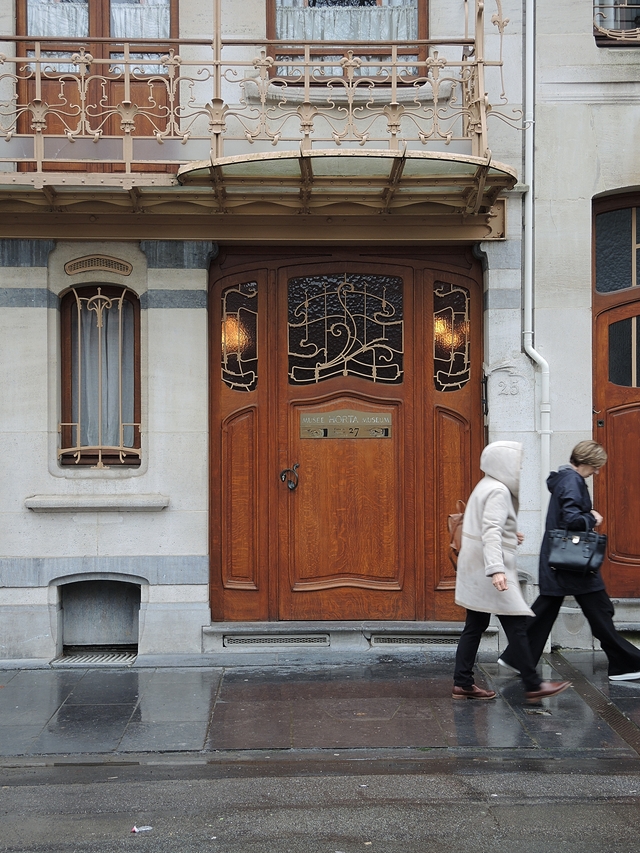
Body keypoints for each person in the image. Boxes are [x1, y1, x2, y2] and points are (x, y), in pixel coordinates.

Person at [499, 440, 640, 681]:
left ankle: (516, 658)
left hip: (561, 562)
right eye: (595, 467)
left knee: (546, 612)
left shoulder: (564, 479)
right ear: (585, 463)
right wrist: (591, 518)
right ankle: (625, 665)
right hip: (575, 565)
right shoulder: (573, 481)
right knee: (600, 612)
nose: (596, 472)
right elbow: (572, 519)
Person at [453, 440, 571, 702]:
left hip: (475, 567)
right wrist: (496, 570)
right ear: (503, 462)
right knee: (517, 624)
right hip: (490, 571)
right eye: (516, 461)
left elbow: (486, 525)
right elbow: (491, 531)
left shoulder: (485, 485)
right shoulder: (498, 490)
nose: (519, 466)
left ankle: (462, 683)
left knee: (475, 625)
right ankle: (533, 684)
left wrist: (510, 533)